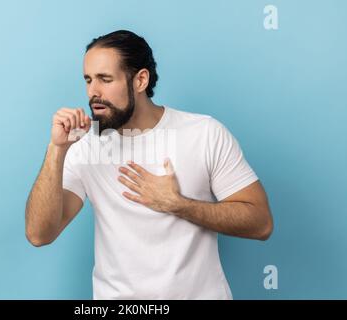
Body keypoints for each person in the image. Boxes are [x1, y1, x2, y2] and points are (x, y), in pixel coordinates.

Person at [25, 30, 273, 299]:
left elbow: (260, 224)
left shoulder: (204, 133)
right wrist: (57, 149)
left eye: (105, 79)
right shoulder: (84, 145)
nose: (93, 92)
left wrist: (178, 205)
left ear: (140, 80)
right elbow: (40, 234)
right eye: (88, 80)